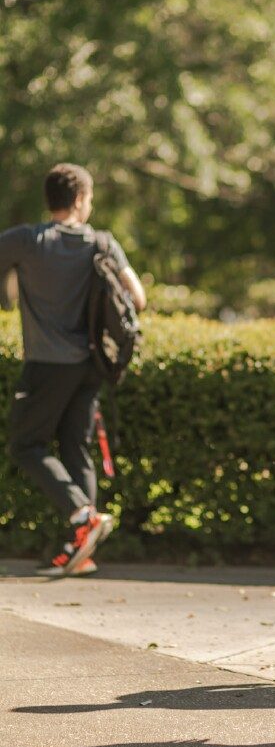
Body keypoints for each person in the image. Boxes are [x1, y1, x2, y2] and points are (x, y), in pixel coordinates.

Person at [0, 163, 146, 576]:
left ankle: (83, 516)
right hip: (90, 365)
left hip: (47, 364)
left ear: (51, 199)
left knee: (26, 446)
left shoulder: (26, 241)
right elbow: (138, 297)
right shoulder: (102, 242)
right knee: (74, 446)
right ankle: (83, 548)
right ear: (79, 199)